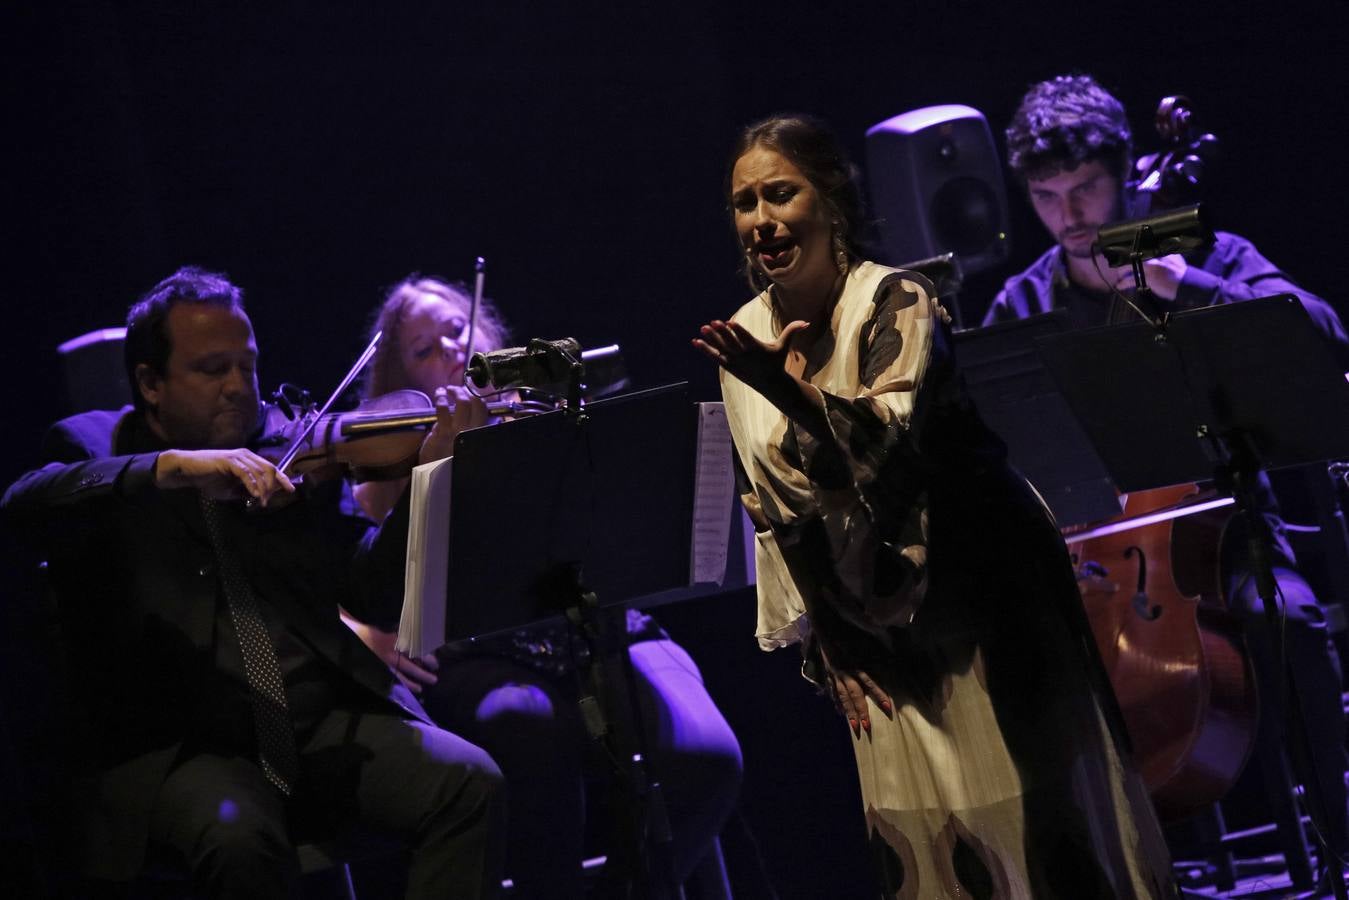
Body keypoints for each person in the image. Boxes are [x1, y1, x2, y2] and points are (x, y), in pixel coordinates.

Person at [693, 114, 1176, 897]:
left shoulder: (896, 299)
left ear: (831, 200)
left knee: (1037, 841)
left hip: (982, 599)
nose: (760, 220)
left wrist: (786, 386)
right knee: (929, 856)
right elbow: (774, 510)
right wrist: (827, 641)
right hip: (869, 627)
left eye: (779, 194)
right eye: (744, 204)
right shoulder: (743, 339)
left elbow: (877, 445)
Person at [1, 267, 506, 898]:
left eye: (248, 365)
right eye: (214, 370)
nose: (240, 388)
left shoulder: (294, 444)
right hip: (190, 747)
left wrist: (432, 476)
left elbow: (373, 596)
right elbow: (23, 505)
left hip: (318, 722)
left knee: (469, 782)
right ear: (151, 384)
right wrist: (174, 469)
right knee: (241, 838)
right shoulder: (95, 445)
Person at [984, 74, 1349, 882]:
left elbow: (1319, 332)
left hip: (1228, 540)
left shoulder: (1204, 253)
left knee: (1287, 625)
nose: (1070, 217)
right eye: (1046, 197)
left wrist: (1190, 292)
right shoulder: (1022, 304)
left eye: (1084, 189)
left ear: (1122, 173)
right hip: (1090, 566)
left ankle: (1340, 846)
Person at [341, 275, 743, 899]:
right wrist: (435, 462)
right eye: (424, 348)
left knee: (709, 757)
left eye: (456, 329)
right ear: (398, 381)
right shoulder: (388, 467)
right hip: (480, 657)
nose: (450, 347)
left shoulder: (549, 415)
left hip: (600, 630)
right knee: (530, 737)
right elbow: (355, 586)